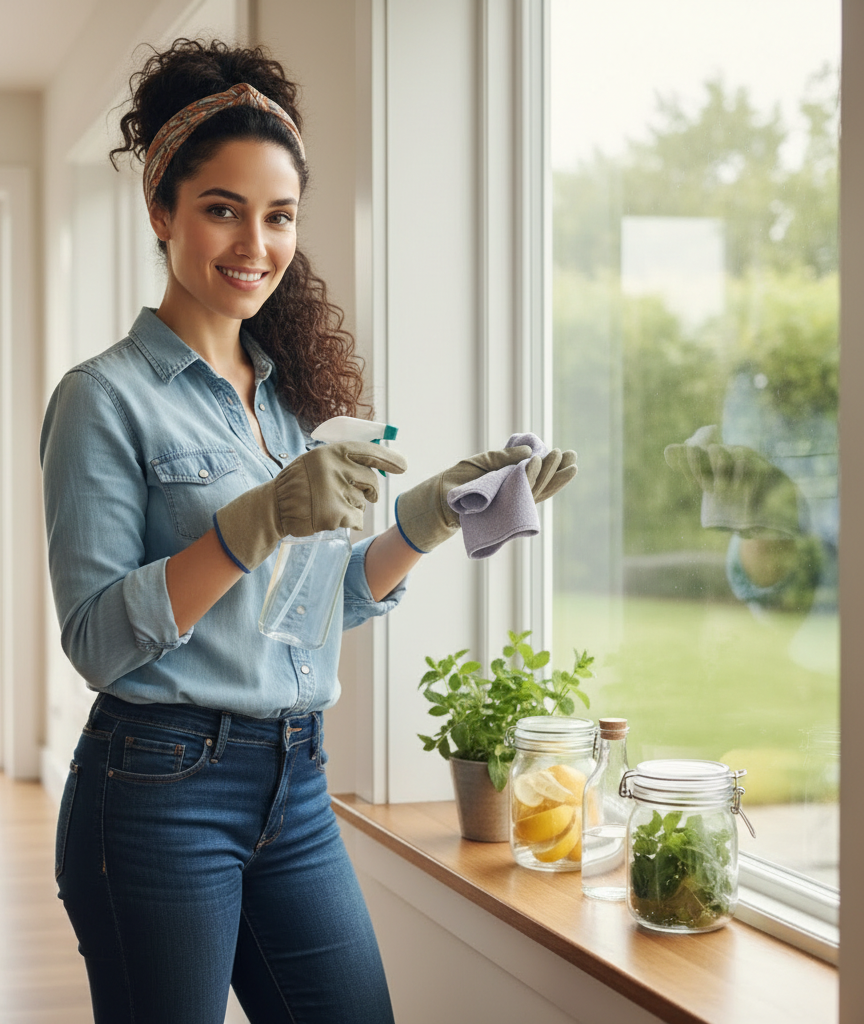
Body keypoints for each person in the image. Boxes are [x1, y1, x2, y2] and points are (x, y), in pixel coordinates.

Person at [41, 38, 573, 1024]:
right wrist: (257, 520)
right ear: (161, 212)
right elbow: (98, 637)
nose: (254, 245)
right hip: (157, 790)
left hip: (294, 782)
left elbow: (312, 604)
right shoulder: (101, 400)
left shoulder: (289, 403)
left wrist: (427, 517)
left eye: (278, 215)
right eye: (221, 209)